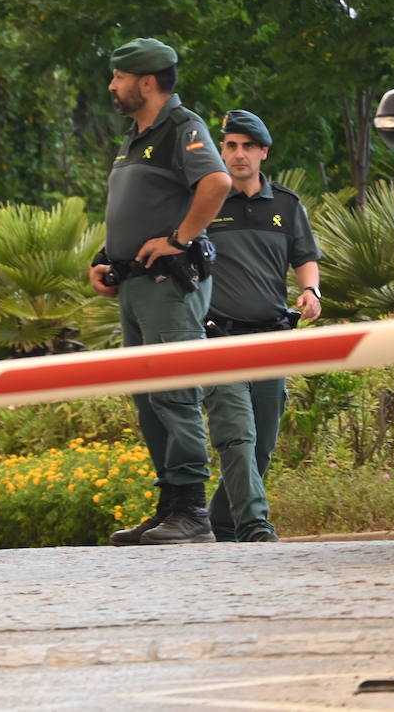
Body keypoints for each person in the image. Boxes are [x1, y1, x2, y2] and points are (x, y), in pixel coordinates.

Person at [88, 37, 230, 546]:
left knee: (175, 392)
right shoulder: (137, 136)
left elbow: (215, 182)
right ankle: (170, 506)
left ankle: (193, 512)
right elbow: (136, 207)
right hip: (134, 284)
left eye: (119, 77)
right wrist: (106, 258)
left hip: (168, 286)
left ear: (146, 82)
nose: (112, 85)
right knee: (149, 397)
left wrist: (178, 239)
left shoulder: (182, 127)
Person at [203, 110, 322, 542]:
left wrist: (312, 292)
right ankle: (254, 525)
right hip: (218, 334)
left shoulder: (286, 205)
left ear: (263, 153)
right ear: (222, 151)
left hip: (272, 336)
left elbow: (305, 257)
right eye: (230, 145)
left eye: (247, 146)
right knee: (237, 435)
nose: (238, 154)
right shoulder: (205, 201)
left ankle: (219, 522)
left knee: (263, 443)